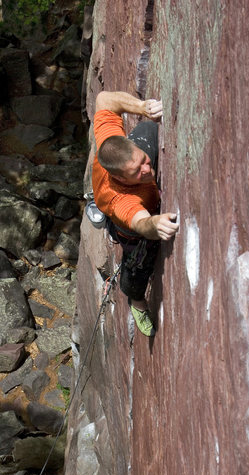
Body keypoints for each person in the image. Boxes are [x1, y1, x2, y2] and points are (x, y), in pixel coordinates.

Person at [90, 90, 179, 336]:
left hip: (130, 167)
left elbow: (104, 99)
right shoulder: (119, 199)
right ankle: (136, 302)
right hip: (131, 227)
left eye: (144, 162)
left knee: (150, 128)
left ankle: (137, 150)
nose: (147, 169)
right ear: (118, 177)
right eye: (138, 171)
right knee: (138, 268)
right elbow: (140, 223)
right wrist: (156, 224)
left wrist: (143, 107)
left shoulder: (112, 143)